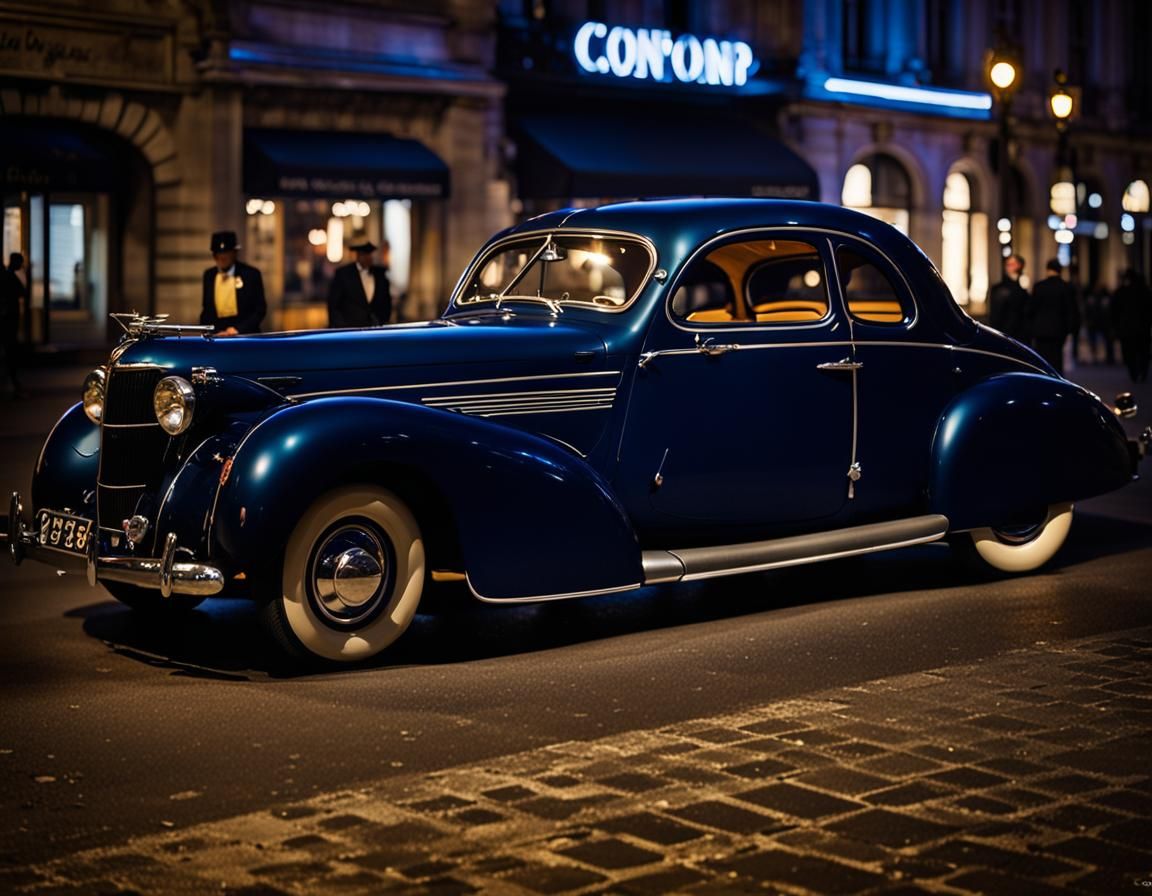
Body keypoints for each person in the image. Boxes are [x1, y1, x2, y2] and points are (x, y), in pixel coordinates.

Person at [200, 231, 266, 335]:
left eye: (226, 253)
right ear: (214, 256)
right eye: (219, 253)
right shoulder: (209, 276)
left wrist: (239, 329)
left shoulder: (251, 274)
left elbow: (260, 309)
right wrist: (216, 331)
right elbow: (206, 312)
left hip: (246, 336)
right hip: (218, 337)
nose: (222, 257)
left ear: (234, 253)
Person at [327, 240, 392, 328]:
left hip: (375, 328)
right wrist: (341, 327)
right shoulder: (343, 274)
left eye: (369, 254)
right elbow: (333, 304)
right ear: (358, 256)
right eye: (364, 254)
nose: (368, 257)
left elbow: (386, 301)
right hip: (350, 328)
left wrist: (383, 321)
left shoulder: (380, 274)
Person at [1029, 258, 1077, 374]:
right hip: (1059, 330)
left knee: (1042, 359)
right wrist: (1071, 329)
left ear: (1047, 269)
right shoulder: (1066, 287)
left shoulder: (1039, 286)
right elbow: (1071, 311)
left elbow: (1031, 309)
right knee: (1057, 359)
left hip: (1041, 330)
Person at [1112, 267, 1152, 383]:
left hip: (1127, 329)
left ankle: (1134, 373)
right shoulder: (1144, 291)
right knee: (1143, 352)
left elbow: (1114, 311)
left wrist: (1116, 326)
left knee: (1130, 353)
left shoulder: (1121, 292)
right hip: (1142, 328)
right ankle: (1142, 372)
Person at [0, 252, 27, 397]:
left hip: (8, 319)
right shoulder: (9, 276)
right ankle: (13, 384)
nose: (22, 265)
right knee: (10, 351)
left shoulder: (7, 275)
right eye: (20, 262)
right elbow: (22, 291)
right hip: (9, 320)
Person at [988, 254, 1030, 343]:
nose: (1008, 267)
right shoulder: (999, 288)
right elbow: (996, 314)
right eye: (1007, 264)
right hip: (1005, 332)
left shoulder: (1023, 284)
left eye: (1012, 264)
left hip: (1020, 333)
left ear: (1020, 266)